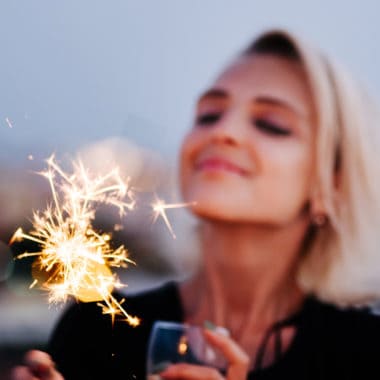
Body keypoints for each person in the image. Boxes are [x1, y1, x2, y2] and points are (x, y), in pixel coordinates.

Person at [11, 28, 380, 380]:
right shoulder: (96, 330)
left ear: (332, 184)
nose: (223, 131)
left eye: (271, 124)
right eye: (208, 114)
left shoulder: (363, 353)